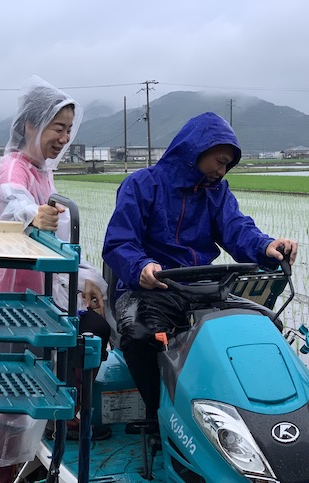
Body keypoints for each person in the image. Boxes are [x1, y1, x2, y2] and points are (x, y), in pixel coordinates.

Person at [102, 111, 298, 423]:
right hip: (151, 290)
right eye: (219, 161)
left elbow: (237, 229)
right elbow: (118, 243)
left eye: (227, 165)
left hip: (202, 289)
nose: (222, 170)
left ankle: (249, 415)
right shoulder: (141, 185)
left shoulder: (216, 193)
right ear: (196, 149)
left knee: (264, 325)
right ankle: (160, 417)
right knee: (139, 336)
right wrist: (142, 267)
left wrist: (266, 246)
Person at [0, 76, 111, 483]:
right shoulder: (15, 168)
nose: (64, 137)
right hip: (10, 301)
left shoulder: (42, 170)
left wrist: (88, 278)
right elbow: (11, 202)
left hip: (38, 294)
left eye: (69, 129)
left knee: (38, 377)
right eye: (58, 127)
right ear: (32, 124)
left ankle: (30, 461)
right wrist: (32, 213)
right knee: (7, 394)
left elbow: (59, 237)